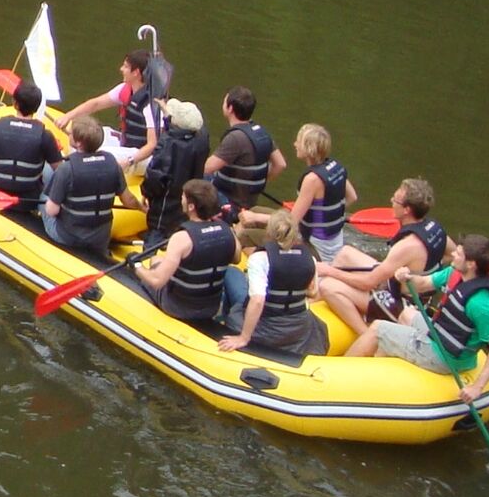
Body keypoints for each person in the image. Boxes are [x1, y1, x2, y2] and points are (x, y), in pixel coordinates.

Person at [344, 234, 489, 401]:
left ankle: (341, 376)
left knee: (378, 329)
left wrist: (477, 387)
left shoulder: (482, 305)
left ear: (471, 264)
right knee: (407, 314)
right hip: (438, 335)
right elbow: (424, 284)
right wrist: (407, 278)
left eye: (458, 254)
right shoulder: (455, 273)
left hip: (445, 358)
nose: (453, 254)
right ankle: (386, 363)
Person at [318, 176, 443, 335]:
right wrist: (419, 271)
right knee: (345, 253)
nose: (391, 201)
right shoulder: (434, 228)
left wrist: (329, 271)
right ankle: (329, 301)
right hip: (403, 288)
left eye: (395, 200)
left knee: (327, 286)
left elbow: (368, 283)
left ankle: (365, 334)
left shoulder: (407, 246)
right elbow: (449, 255)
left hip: (403, 305)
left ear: (406, 210)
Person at [217, 206, 329, 358]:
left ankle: (222, 323)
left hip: (267, 327)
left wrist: (244, 338)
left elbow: (258, 301)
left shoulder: (260, 259)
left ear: (269, 232)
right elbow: (313, 292)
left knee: (232, 277)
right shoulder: (310, 258)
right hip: (299, 326)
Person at [134, 177, 239, 326]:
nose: (181, 200)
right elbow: (236, 259)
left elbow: (157, 281)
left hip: (177, 307)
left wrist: (136, 265)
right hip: (211, 307)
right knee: (156, 260)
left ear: (191, 206)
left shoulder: (181, 238)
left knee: (150, 268)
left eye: (183, 197)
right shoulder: (228, 231)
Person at [41, 118, 140, 259]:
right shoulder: (112, 163)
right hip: (100, 238)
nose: (68, 134)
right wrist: (142, 208)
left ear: (79, 143)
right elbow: (129, 200)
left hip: (69, 237)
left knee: (43, 194)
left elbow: (52, 210)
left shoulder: (66, 169)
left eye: (71, 133)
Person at [70, 49, 161, 175]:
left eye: (126, 66)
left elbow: (152, 145)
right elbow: (95, 104)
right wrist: (68, 117)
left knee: (97, 152)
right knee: (85, 136)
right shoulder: (125, 89)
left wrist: (129, 161)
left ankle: (82, 172)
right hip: (127, 145)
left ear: (136, 72)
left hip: (144, 158)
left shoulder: (151, 104)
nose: (121, 69)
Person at [205, 87, 286, 226]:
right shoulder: (261, 132)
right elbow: (280, 164)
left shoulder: (235, 138)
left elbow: (207, 168)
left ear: (230, 108)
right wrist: (258, 181)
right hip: (250, 200)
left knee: (195, 177)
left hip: (231, 203)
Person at [0, 81, 62, 208]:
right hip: (29, 201)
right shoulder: (45, 135)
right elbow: (60, 170)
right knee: (48, 169)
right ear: (37, 108)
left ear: (14, 103)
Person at [282, 123, 358, 266]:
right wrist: (329, 213)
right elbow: (352, 197)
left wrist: (256, 217)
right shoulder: (336, 167)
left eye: (298, 141)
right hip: (335, 241)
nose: (295, 144)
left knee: (250, 232)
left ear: (308, 148)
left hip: (317, 247)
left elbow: (292, 222)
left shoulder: (312, 180)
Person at [140, 98, 211, 239]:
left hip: (166, 205)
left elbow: (155, 176)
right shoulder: (202, 138)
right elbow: (181, 133)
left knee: (158, 231)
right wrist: (168, 117)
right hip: (188, 198)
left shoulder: (168, 144)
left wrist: (145, 192)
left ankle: (152, 247)